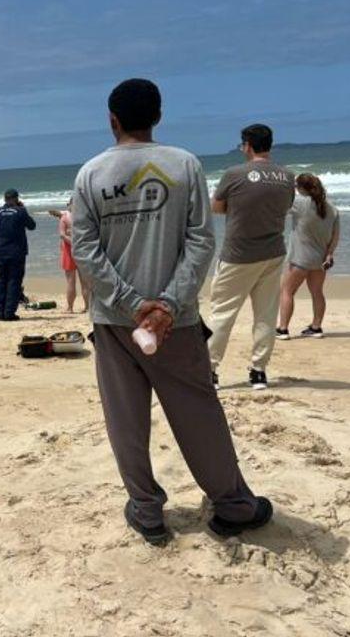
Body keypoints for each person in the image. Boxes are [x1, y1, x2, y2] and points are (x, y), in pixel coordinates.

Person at [73, 78, 270, 545]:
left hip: (115, 322)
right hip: (174, 322)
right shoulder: (183, 165)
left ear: (112, 120)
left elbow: (85, 248)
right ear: (158, 117)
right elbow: (202, 241)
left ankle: (145, 510)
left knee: (126, 418)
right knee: (198, 410)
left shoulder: (90, 174)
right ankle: (233, 505)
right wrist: (168, 304)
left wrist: (130, 302)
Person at [207, 124, 295, 391]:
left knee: (222, 313)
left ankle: (209, 369)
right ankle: (259, 371)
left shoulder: (234, 174)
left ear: (247, 145)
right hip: (272, 252)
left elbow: (217, 207)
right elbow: (287, 206)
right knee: (266, 314)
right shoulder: (286, 175)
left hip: (239, 253)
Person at [277, 174, 340, 340]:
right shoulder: (332, 208)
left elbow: (280, 202)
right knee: (317, 293)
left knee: (287, 292)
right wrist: (330, 254)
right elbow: (335, 236)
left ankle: (283, 329)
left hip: (300, 258)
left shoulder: (300, 203)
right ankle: (316, 326)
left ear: (301, 188)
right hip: (320, 260)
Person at [0, 189, 36, 321]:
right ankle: (9, 313)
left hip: (0, 252)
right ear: (16, 199)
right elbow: (32, 226)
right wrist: (23, 209)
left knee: (1, 281)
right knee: (14, 281)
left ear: (5, 199)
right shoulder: (20, 211)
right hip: (16, 253)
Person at [49, 200, 90, 313]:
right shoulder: (84, 216)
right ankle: (87, 307)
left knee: (71, 281)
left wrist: (73, 244)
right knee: (84, 281)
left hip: (69, 250)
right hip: (82, 250)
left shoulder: (65, 217)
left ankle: (70, 308)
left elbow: (62, 235)